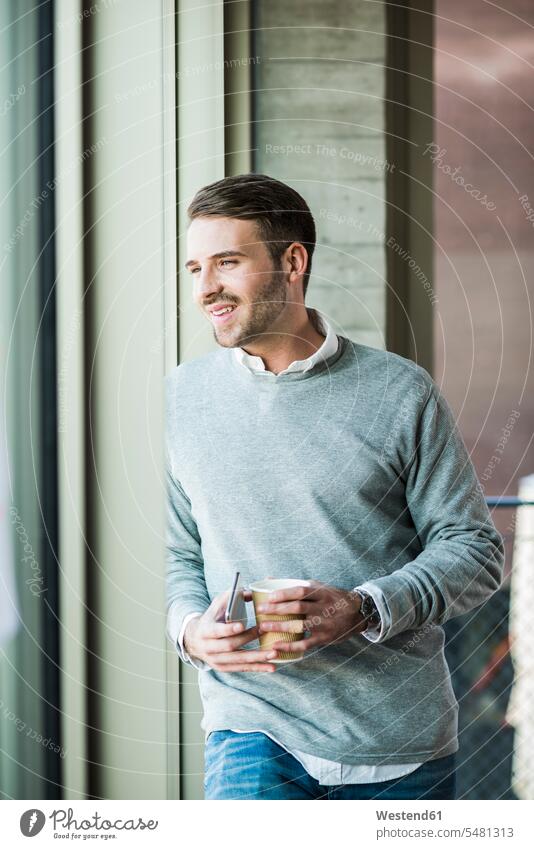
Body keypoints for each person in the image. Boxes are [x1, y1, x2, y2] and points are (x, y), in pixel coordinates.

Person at [165, 173, 504, 800]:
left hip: (400, 745)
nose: (205, 287)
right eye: (194, 268)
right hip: (252, 731)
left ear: (292, 262)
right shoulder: (186, 396)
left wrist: (365, 608)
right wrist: (189, 630)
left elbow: (476, 553)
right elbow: (182, 552)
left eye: (227, 263)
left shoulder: (400, 393)